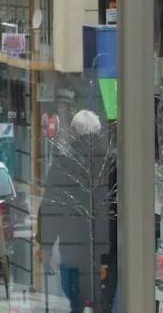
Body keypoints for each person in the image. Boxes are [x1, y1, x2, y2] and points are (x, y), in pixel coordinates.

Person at [39, 109, 115, 313]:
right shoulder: (110, 162)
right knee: (103, 298)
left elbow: (50, 207)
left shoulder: (64, 163)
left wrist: (45, 244)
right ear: (98, 132)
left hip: (72, 246)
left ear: (73, 133)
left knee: (75, 300)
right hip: (105, 246)